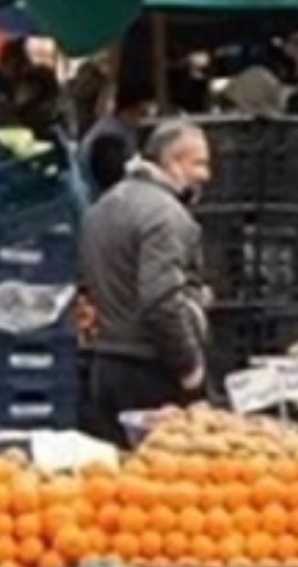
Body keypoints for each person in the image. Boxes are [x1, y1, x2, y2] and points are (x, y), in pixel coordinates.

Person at [80, 121, 213, 446]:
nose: (206, 175)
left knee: (120, 485)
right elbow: (161, 301)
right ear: (172, 163)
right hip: (150, 369)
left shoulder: (102, 207)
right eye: (199, 163)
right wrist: (189, 367)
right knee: (164, 480)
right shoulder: (167, 216)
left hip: (106, 365)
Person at [81, 79, 156, 201]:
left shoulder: (119, 128)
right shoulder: (108, 137)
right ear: (132, 109)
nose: (146, 120)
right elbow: (113, 181)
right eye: (143, 113)